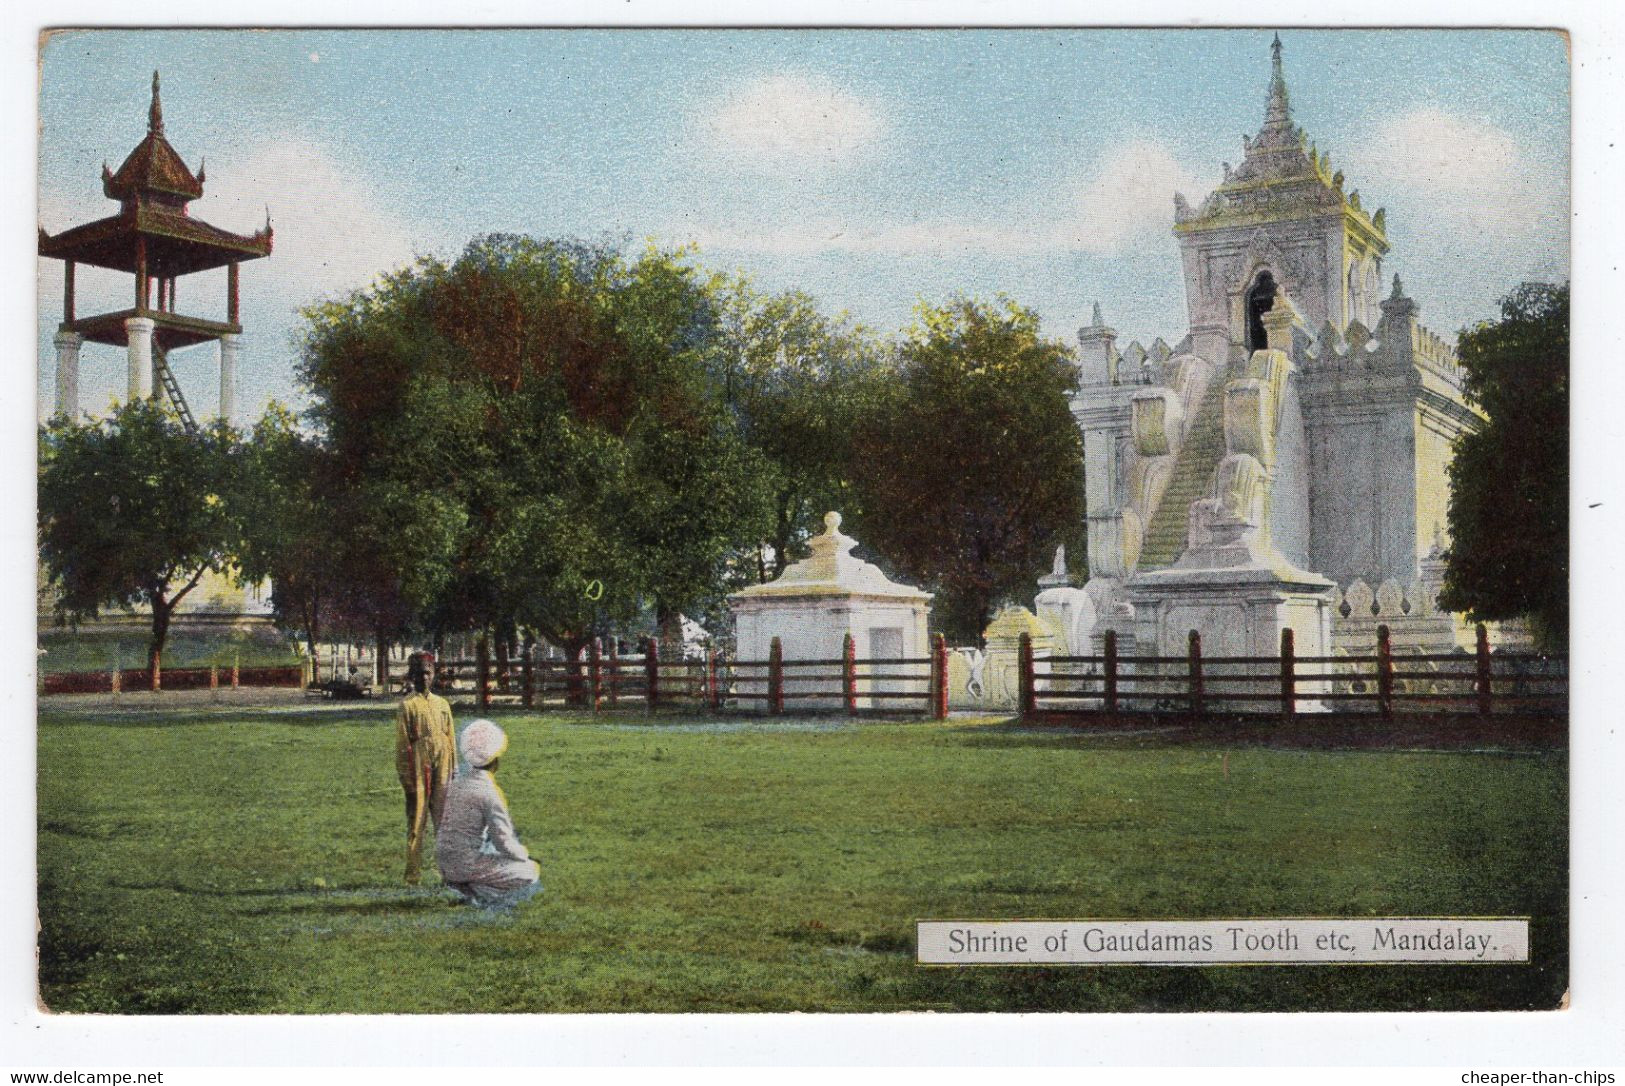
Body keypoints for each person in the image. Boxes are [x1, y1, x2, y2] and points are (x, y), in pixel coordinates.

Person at [437, 719, 542, 910]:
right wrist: (525, 855)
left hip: (444, 861)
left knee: (490, 851)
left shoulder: (455, 783)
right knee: (530, 871)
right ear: (495, 760)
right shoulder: (490, 793)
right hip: (465, 864)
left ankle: (464, 884)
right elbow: (504, 842)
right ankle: (477, 892)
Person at [396, 653, 455, 885]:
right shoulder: (407, 706)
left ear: (434, 674)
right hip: (419, 767)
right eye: (419, 672)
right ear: (412, 675)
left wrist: (453, 770)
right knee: (417, 822)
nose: (424, 677)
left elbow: (449, 737)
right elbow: (402, 745)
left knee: (443, 822)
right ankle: (412, 875)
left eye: (428, 672)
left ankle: (448, 873)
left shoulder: (442, 705)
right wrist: (407, 779)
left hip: (443, 766)